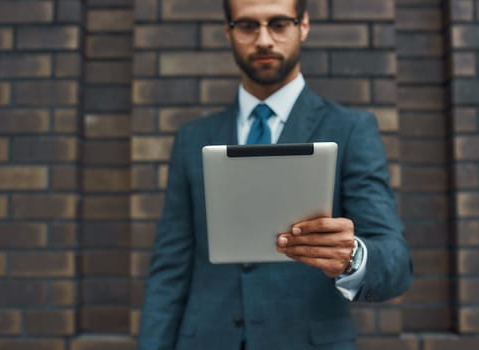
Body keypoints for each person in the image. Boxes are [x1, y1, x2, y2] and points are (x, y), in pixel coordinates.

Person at [137, 0, 413, 349]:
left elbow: (397, 262)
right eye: (248, 26)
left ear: (304, 26)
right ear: (229, 31)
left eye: (279, 23)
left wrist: (352, 257)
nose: (264, 40)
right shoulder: (192, 138)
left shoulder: (351, 129)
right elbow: (169, 270)